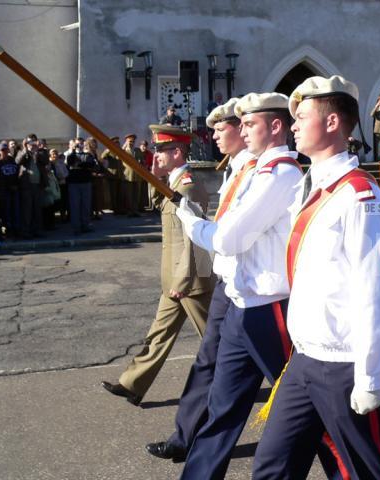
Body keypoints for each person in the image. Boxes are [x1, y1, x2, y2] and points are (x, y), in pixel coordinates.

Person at [251, 75, 380, 479]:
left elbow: (377, 289)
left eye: (303, 116)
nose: (294, 125)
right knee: (272, 466)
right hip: (304, 359)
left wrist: (371, 375)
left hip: (342, 364)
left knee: (371, 468)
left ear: (334, 123)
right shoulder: (311, 185)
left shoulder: (361, 196)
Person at [175, 92, 305, 479]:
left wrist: (192, 223)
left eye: (249, 124)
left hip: (271, 307)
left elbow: (230, 238)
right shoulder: (255, 170)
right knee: (223, 408)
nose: (240, 130)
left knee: (307, 409)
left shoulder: (281, 173)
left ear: (275, 126)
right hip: (241, 303)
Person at [145, 97, 256, 463]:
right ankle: (187, 439)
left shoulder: (264, 172)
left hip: (259, 295)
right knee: (209, 365)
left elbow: (223, 236)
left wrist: (194, 225)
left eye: (221, 128)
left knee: (297, 387)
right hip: (230, 286)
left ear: (242, 128)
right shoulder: (235, 171)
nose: (214, 135)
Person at [101, 124, 215, 406]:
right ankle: (132, 384)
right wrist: (155, 174)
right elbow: (155, 205)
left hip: (190, 280)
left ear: (177, 151)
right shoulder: (172, 182)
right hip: (175, 278)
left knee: (217, 341)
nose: (156, 154)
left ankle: (260, 382)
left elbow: (194, 238)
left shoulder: (187, 186)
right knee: (159, 333)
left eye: (161, 150)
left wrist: (183, 280)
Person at [15, 134, 47, 239]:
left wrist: (37, 151)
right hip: (26, 186)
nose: (32, 144)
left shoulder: (40, 152)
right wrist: (25, 149)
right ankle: (26, 232)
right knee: (27, 210)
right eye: (30, 142)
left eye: (34, 142)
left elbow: (46, 161)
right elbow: (18, 161)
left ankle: (37, 230)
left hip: (38, 186)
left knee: (37, 209)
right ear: (26, 143)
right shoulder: (22, 152)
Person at [66, 138, 95, 235]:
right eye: (78, 144)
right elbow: (70, 162)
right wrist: (74, 150)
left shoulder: (88, 155)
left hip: (86, 182)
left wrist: (80, 165)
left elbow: (91, 164)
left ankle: (85, 225)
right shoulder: (71, 155)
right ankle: (76, 227)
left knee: (86, 205)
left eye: (81, 144)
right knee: (75, 206)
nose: (80, 145)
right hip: (74, 183)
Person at [0, 141, 20, 237]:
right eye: (2, 150)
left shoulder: (12, 160)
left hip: (15, 190)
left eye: (6, 150)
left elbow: (17, 173)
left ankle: (16, 229)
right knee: (7, 211)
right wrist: (8, 186)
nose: (4, 152)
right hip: (4, 192)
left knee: (16, 210)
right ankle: (8, 229)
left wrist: (16, 184)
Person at [101, 136, 126, 215]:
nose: (117, 144)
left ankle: (120, 208)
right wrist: (108, 149)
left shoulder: (120, 151)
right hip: (112, 176)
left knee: (120, 193)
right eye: (115, 143)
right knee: (113, 193)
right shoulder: (109, 151)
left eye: (118, 143)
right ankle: (115, 209)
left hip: (120, 175)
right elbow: (102, 157)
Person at [122, 134, 145, 217]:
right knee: (128, 194)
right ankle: (129, 211)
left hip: (137, 175)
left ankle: (135, 210)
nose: (131, 143)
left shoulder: (137, 150)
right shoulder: (124, 150)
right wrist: (123, 147)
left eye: (133, 141)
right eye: (130, 141)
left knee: (136, 194)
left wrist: (141, 163)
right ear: (126, 141)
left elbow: (142, 161)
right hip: (128, 175)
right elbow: (118, 157)